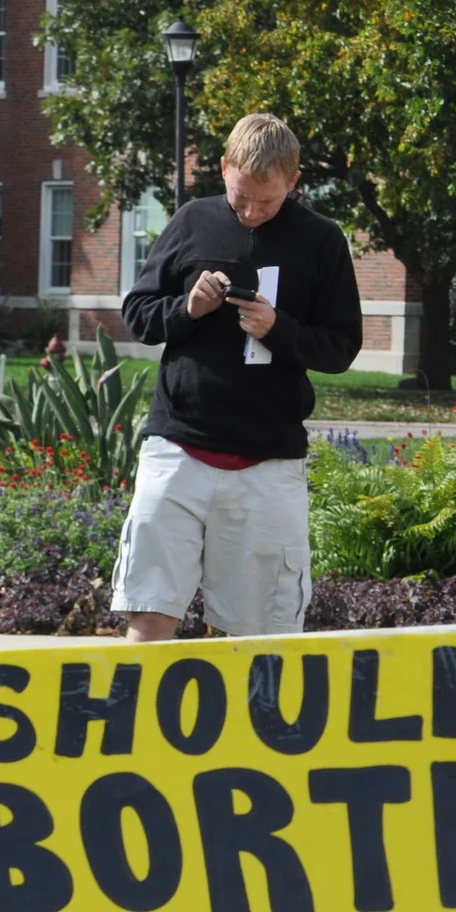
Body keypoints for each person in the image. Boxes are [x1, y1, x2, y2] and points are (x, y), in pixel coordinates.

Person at [115, 112, 361, 640]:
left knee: (260, 637)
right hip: (177, 449)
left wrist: (278, 329)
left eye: (266, 202)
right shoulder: (192, 220)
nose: (250, 212)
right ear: (224, 167)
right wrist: (187, 308)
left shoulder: (321, 239)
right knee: (149, 613)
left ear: (293, 181)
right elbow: (138, 314)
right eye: (240, 196)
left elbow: (343, 346)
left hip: (268, 462)